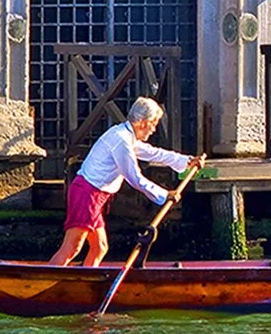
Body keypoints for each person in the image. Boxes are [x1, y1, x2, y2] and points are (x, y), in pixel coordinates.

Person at [49, 97, 204, 266]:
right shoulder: (121, 140)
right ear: (144, 122)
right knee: (72, 247)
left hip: (94, 194)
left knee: (100, 247)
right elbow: (135, 178)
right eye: (154, 124)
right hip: (87, 194)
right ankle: (44, 281)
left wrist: (187, 161)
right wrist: (165, 194)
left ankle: (88, 284)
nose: (153, 129)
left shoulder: (127, 137)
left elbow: (154, 153)